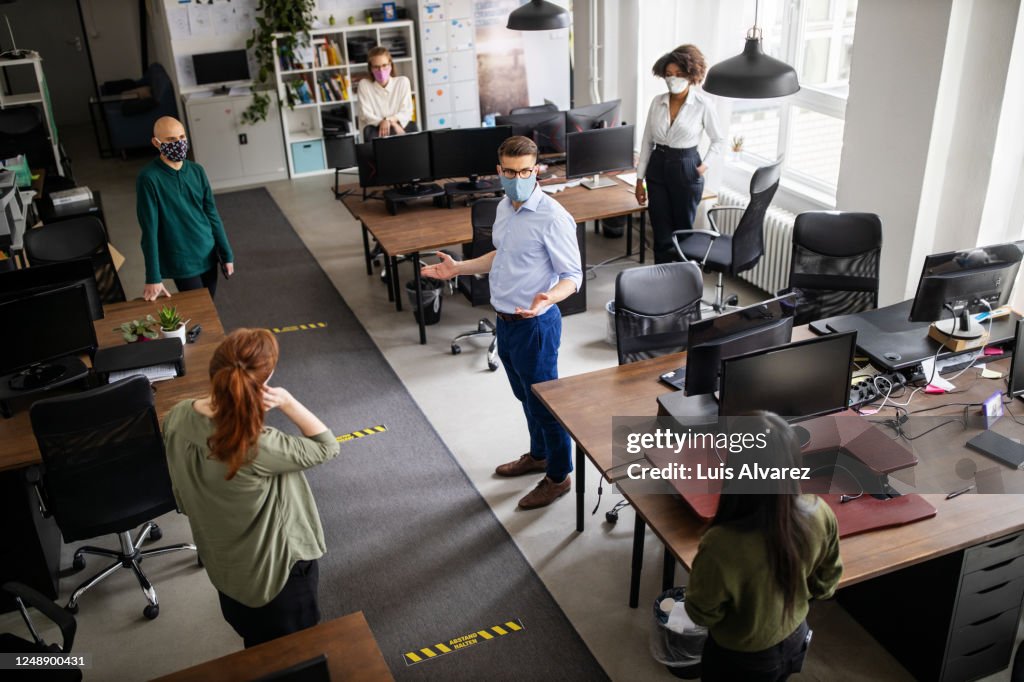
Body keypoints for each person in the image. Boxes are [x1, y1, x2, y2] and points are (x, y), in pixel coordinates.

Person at [421, 136, 582, 509]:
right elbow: (503, 255)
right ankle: (538, 455)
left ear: (536, 170)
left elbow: (572, 276)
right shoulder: (504, 208)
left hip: (536, 325)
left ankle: (558, 476)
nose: (518, 178)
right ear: (500, 172)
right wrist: (457, 268)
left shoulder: (553, 217)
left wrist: (549, 298)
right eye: (510, 172)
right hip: (506, 322)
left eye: (526, 171)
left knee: (545, 405)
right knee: (525, 397)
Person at [162, 328, 340, 648]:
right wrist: (287, 401)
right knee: (294, 656)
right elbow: (327, 446)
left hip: (227, 568)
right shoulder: (254, 444)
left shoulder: (177, 416)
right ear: (264, 381)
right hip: (277, 579)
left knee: (257, 648)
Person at [684, 412, 843, 681]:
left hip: (740, 657)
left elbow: (701, 612)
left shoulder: (720, 545)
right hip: (796, 636)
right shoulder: (820, 512)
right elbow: (826, 584)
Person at [635, 44, 724, 264]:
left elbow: (718, 140)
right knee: (660, 230)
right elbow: (647, 142)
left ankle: (683, 283)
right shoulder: (657, 102)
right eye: (668, 75)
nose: (673, 79)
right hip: (657, 166)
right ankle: (661, 280)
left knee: (683, 232)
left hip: (687, 165)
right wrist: (639, 180)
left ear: (692, 75)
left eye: (679, 74)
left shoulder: (703, 105)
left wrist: (704, 166)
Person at [136, 116, 234, 301]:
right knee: (198, 307)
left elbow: (212, 214)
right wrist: (153, 276)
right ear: (156, 143)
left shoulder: (197, 171)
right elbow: (149, 230)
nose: (179, 143)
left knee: (208, 306)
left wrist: (226, 253)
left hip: (207, 252)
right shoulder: (148, 178)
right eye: (171, 140)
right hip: (180, 259)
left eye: (182, 137)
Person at [357, 46, 414, 140]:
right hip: (374, 137)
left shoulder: (403, 82)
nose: (381, 71)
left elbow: (407, 111)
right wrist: (385, 122)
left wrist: (388, 120)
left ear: (391, 65)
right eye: (376, 67)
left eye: (384, 65)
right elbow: (365, 114)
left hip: (400, 133)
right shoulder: (364, 85)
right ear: (370, 69)